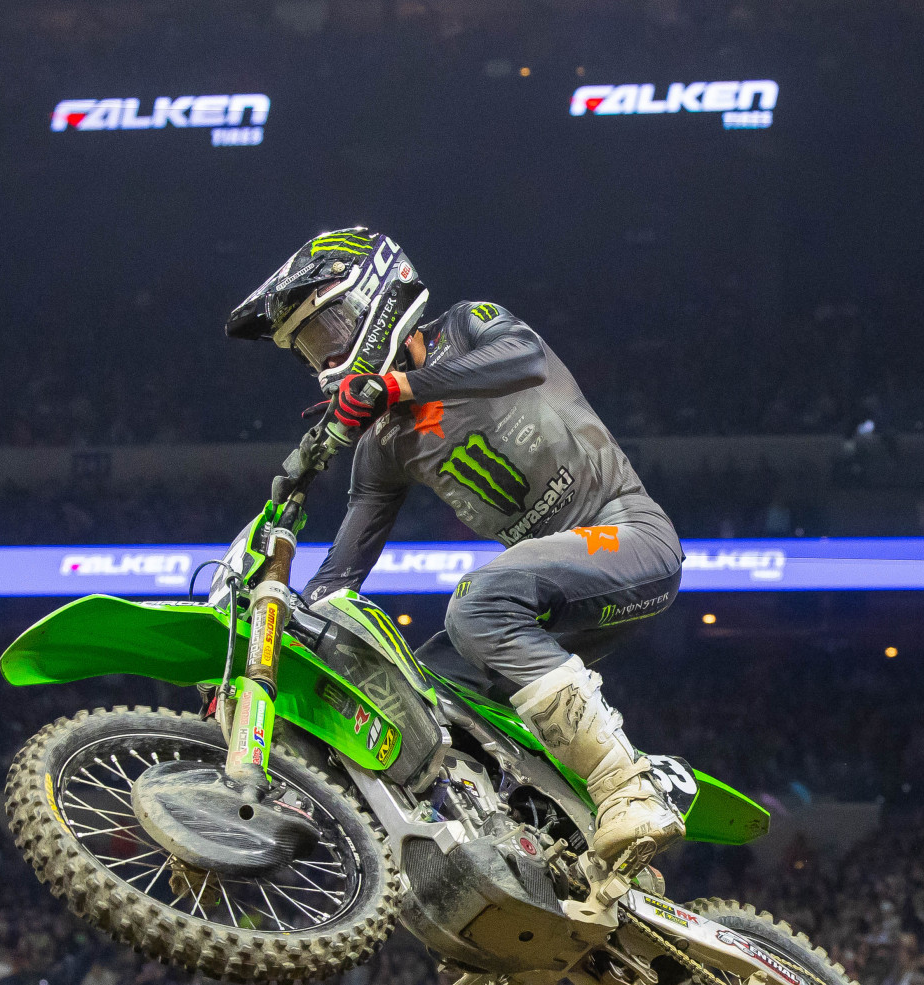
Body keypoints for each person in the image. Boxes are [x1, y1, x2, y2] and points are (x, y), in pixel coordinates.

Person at [228, 229, 687, 889]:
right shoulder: (383, 444)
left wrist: (399, 385)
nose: (324, 356)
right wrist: (294, 619)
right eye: (307, 346)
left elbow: (524, 359)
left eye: (327, 329)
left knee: (478, 603)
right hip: (547, 603)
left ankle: (627, 788)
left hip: (629, 537)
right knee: (414, 697)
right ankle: (520, 878)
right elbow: (341, 575)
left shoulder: (471, 327)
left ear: (376, 300)